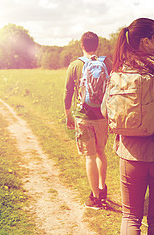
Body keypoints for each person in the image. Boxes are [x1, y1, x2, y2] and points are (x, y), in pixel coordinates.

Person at [101, 18, 154, 234]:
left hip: (129, 155)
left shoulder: (119, 71)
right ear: (146, 42)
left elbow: (104, 111)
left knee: (130, 217)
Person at [64, 31, 112, 209]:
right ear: (97, 45)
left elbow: (68, 92)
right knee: (101, 153)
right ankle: (102, 189)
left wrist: (68, 114)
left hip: (83, 117)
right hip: (102, 117)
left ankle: (95, 198)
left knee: (89, 157)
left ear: (82, 46)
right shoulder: (107, 63)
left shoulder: (75, 65)